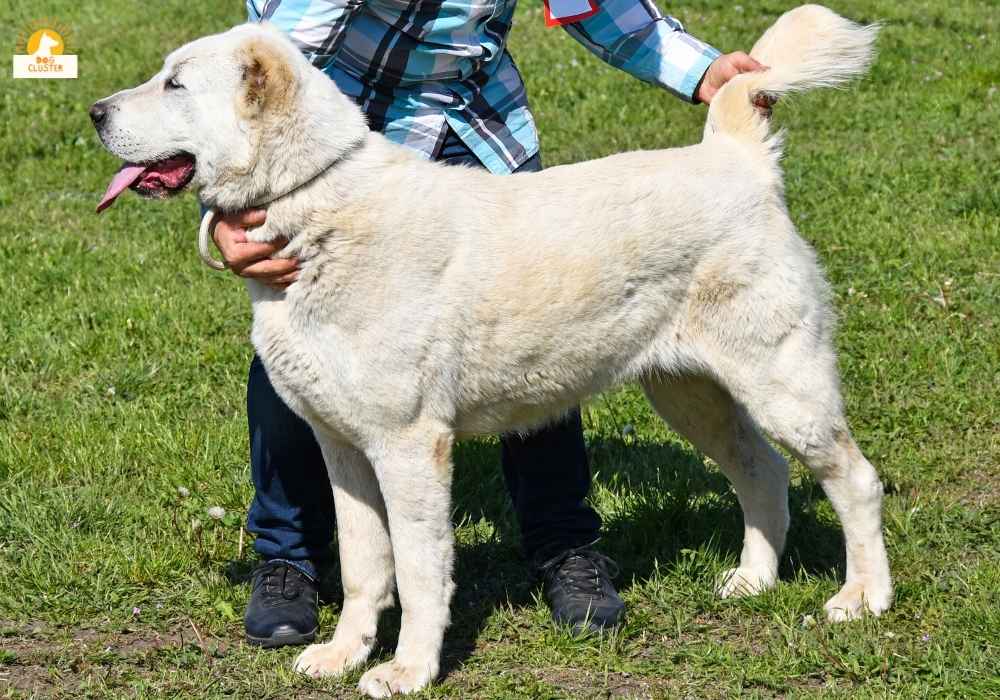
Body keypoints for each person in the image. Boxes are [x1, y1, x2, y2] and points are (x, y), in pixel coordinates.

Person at [211, 0, 764, 647]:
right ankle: (289, 556)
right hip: (332, 141)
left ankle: (564, 544)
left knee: (545, 318)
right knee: (304, 342)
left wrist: (701, 70)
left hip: (478, 129)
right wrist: (228, 209)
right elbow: (270, 57)